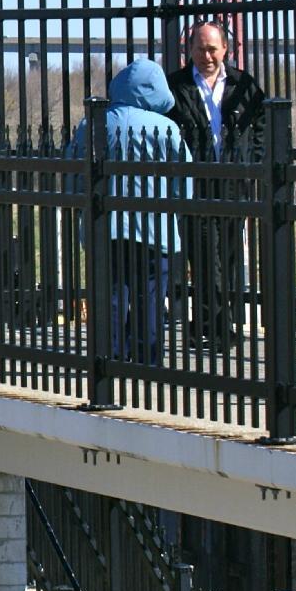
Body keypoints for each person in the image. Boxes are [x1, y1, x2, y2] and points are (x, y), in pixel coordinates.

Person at [68, 59, 191, 368]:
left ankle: (109, 360)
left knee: (111, 296)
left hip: (104, 229)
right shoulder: (167, 129)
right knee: (149, 298)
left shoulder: (93, 124)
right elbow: (183, 183)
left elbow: (72, 175)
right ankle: (146, 362)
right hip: (155, 230)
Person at [166, 21, 268, 348]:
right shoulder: (176, 85)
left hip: (232, 183)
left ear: (226, 49)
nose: (206, 56)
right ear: (189, 50)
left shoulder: (244, 85)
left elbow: (262, 127)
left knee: (230, 255)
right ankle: (217, 326)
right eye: (200, 48)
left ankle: (210, 323)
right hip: (194, 182)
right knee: (206, 255)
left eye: (212, 49)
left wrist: (249, 163)